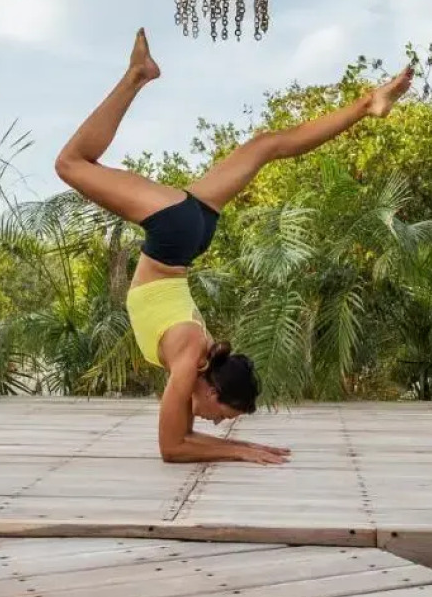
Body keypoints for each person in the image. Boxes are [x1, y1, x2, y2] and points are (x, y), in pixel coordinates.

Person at [55, 29, 413, 465]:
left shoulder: (197, 358)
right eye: (222, 416)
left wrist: (241, 447)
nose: (218, 423)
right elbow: (174, 448)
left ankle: (367, 104)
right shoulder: (191, 357)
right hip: (173, 236)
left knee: (267, 145)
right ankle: (137, 75)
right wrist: (240, 450)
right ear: (210, 388)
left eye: (224, 421)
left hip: (189, 233)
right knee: (70, 164)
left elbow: (178, 441)